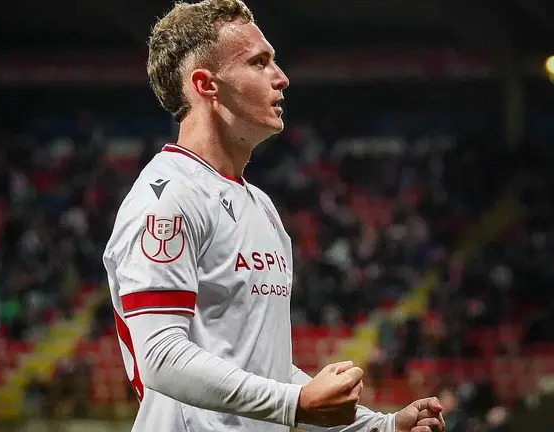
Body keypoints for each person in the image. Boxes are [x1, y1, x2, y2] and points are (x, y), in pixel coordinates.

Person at [102, 1, 446, 431]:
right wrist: (296, 403)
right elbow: (160, 357)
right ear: (206, 85)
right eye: (259, 62)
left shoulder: (261, 207)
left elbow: (267, 370)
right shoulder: (167, 198)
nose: (281, 78)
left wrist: (381, 426)